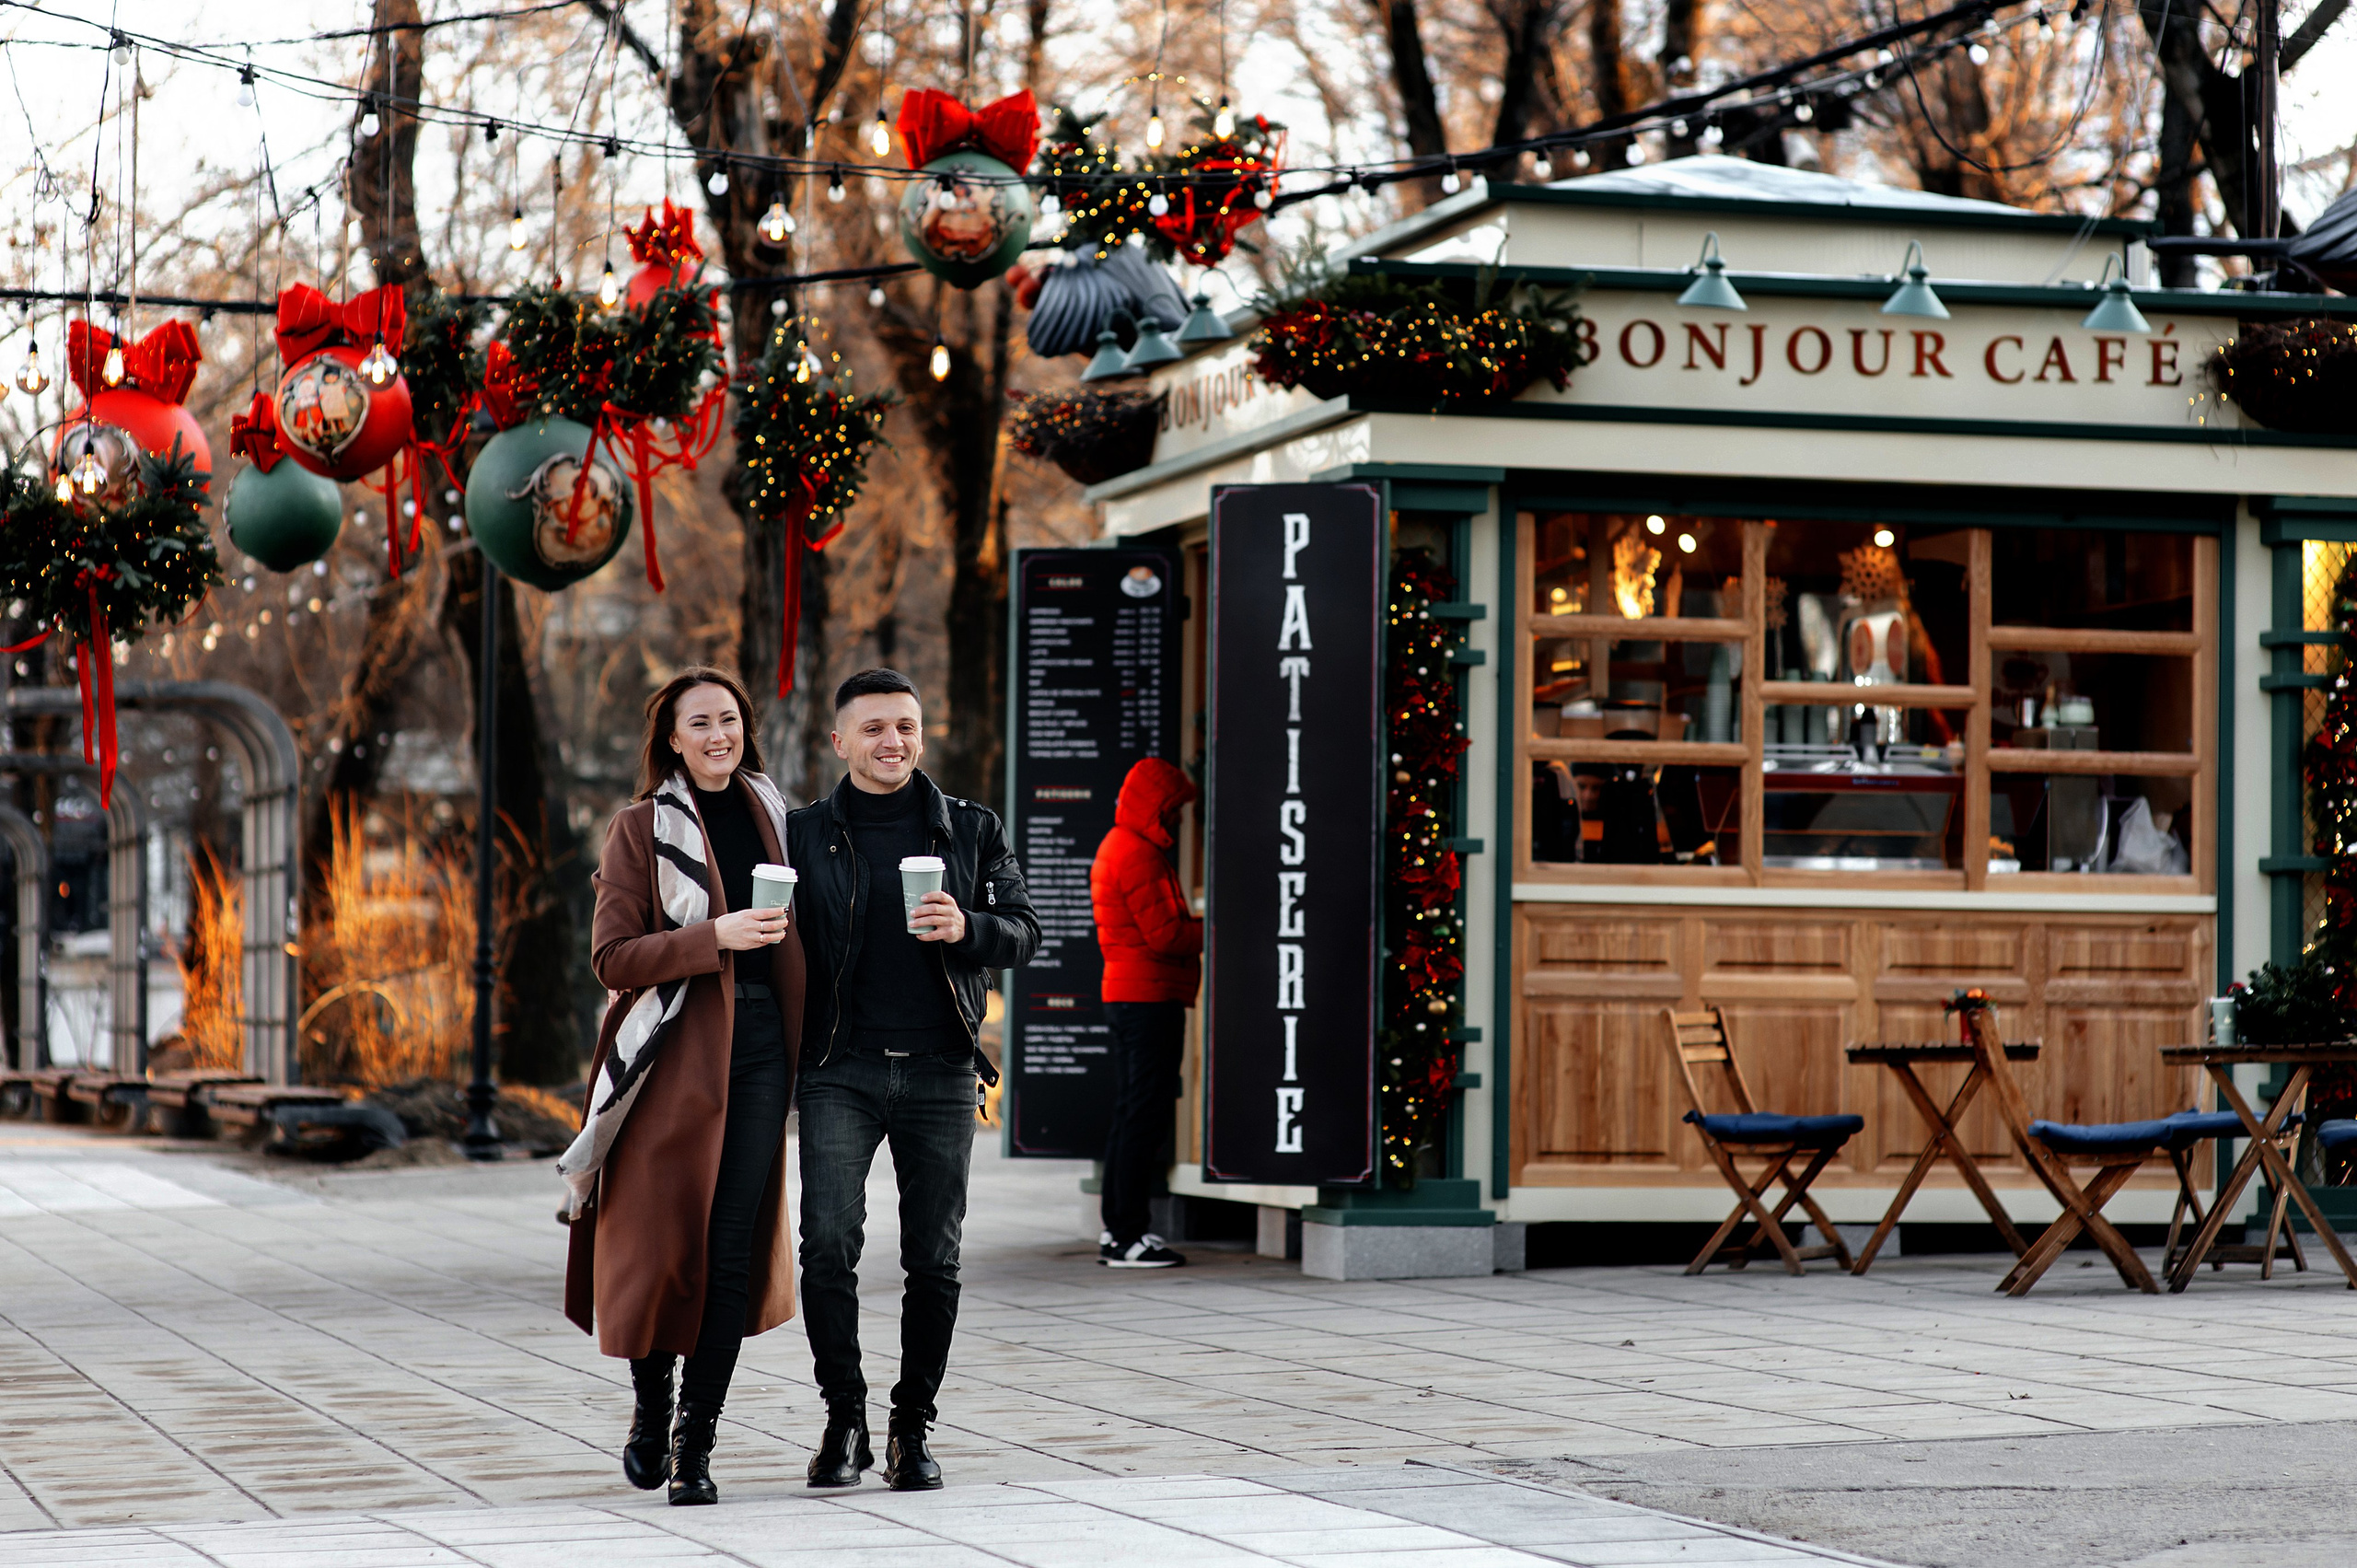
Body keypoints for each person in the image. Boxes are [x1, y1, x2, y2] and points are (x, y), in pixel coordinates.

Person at [786, 668, 1040, 1492]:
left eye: (905, 725)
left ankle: (911, 1426)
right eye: (872, 728)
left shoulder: (970, 828)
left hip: (941, 1068)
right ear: (839, 741)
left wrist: (969, 926)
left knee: (935, 1256)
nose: (891, 741)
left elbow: (1025, 930)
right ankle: (843, 1417)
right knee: (826, 1245)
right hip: (839, 1068)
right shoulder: (803, 833)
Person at [562, 667, 806, 1508]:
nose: (717, 734)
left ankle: (694, 1444)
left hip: (763, 1047)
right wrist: (715, 935)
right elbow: (613, 958)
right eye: (699, 721)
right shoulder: (637, 828)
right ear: (670, 735)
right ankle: (649, 1404)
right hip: (670, 1056)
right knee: (667, 1243)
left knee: (728, 1245)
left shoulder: (781, 817)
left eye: (729, 719)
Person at [1087, 757, 1202, 1268]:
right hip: (1147, 998)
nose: (1178, 818)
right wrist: (1221, 927)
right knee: (1142, 1115)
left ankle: (1120, 1232)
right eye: (1173, 808)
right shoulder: (1137, 854)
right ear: (1155, 805)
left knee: (1131, 1114)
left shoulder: (1128, 846)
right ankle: (1127, 1234)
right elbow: (1168, 935)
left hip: (1134, 994)